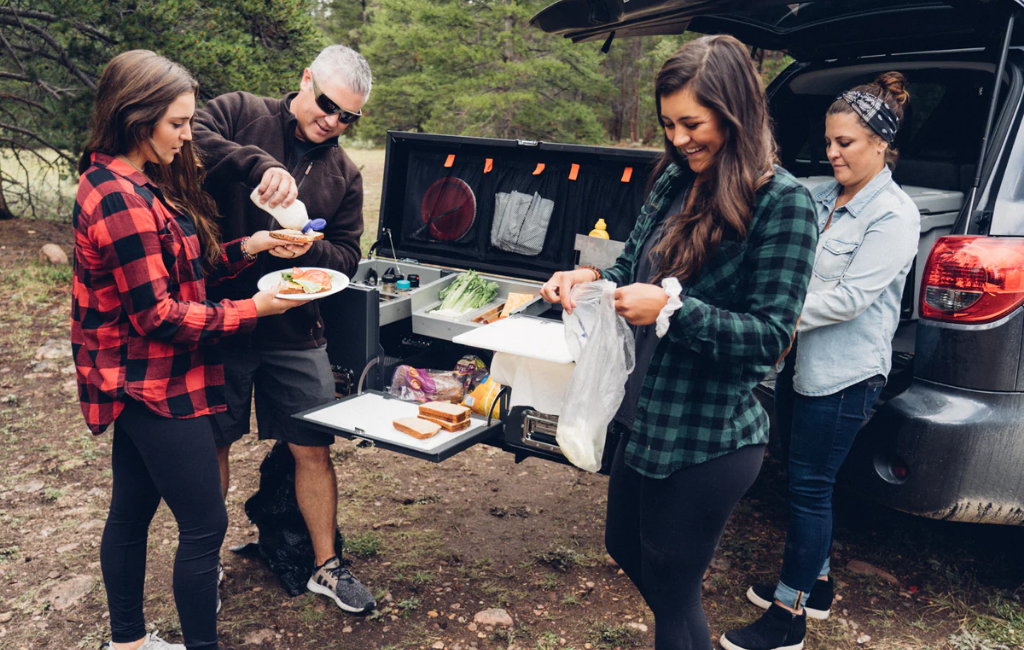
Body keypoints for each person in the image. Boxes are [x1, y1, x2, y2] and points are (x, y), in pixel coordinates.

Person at [539, 35, 818, 650]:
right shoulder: (674, 181)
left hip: (709, 434)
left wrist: (673, 309)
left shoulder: (785, 204)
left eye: (693, 123)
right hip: (646, 416)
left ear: (735, 111)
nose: (680, 138)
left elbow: (770, 338)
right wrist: (590, 280)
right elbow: (629, 272)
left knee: (673, 593)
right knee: (626, 548)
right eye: (669, 125)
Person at [72, 50, 299, 650]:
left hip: (147, 378)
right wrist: (256, 309)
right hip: (155, 385)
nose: (186, 136)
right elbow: (159, 314)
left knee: (131, 513)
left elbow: (177, 270)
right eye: (177, 124)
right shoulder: (117, 196)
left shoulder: (131, 181)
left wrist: (250, 246)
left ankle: (127, 642)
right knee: (205, 524)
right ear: (136, 117)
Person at [721, 72, 920, 650]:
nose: (831, 152)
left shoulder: (895, 215)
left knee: (810, 487)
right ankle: (821, 584)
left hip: (845, 374)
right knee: (805, 480)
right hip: (800, 364)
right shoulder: (820, 197)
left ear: (881, 145)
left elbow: (850, 297)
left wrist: (772, 317)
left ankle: (789, 617)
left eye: (846, 144)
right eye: (828, 141)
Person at [191, 44, 375, 613]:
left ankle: (327, 566)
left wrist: (313, 249)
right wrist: (258, 164)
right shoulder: (241, 113)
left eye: (349, 117)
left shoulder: (344, 172)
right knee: (214, 445)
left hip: (296, 327)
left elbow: (348, 252)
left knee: (313, 446)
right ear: (304, 80)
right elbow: (188, 135)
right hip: (222, 316)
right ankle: (207, 568)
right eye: (327, 105)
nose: (333, 121)